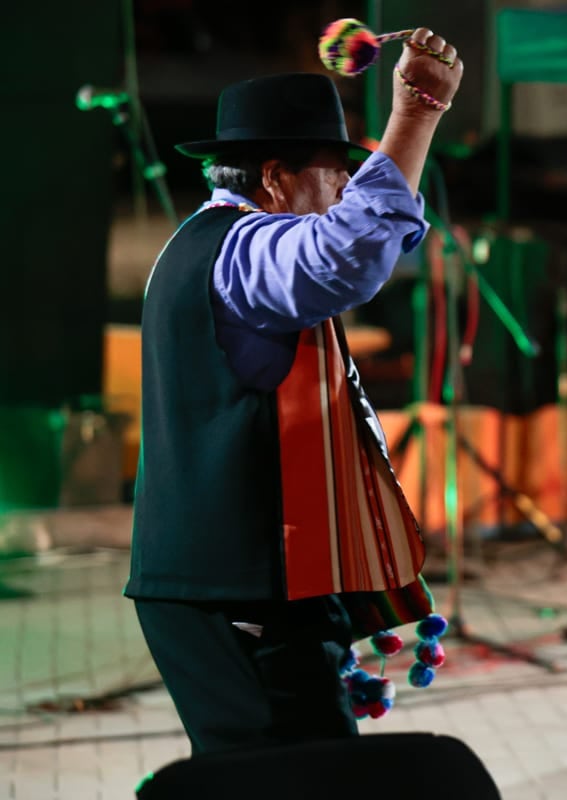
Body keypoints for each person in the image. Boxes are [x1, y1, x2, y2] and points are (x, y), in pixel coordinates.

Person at [125, 30, 463, 755]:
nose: (347, 189)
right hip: (238, 597)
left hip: (231, 594)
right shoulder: (242, 249)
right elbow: (349, 252)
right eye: (334, 171)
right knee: (298, 781)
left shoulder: (203, 243)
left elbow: (362, 237)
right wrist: (416, 113)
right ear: (274, 178)